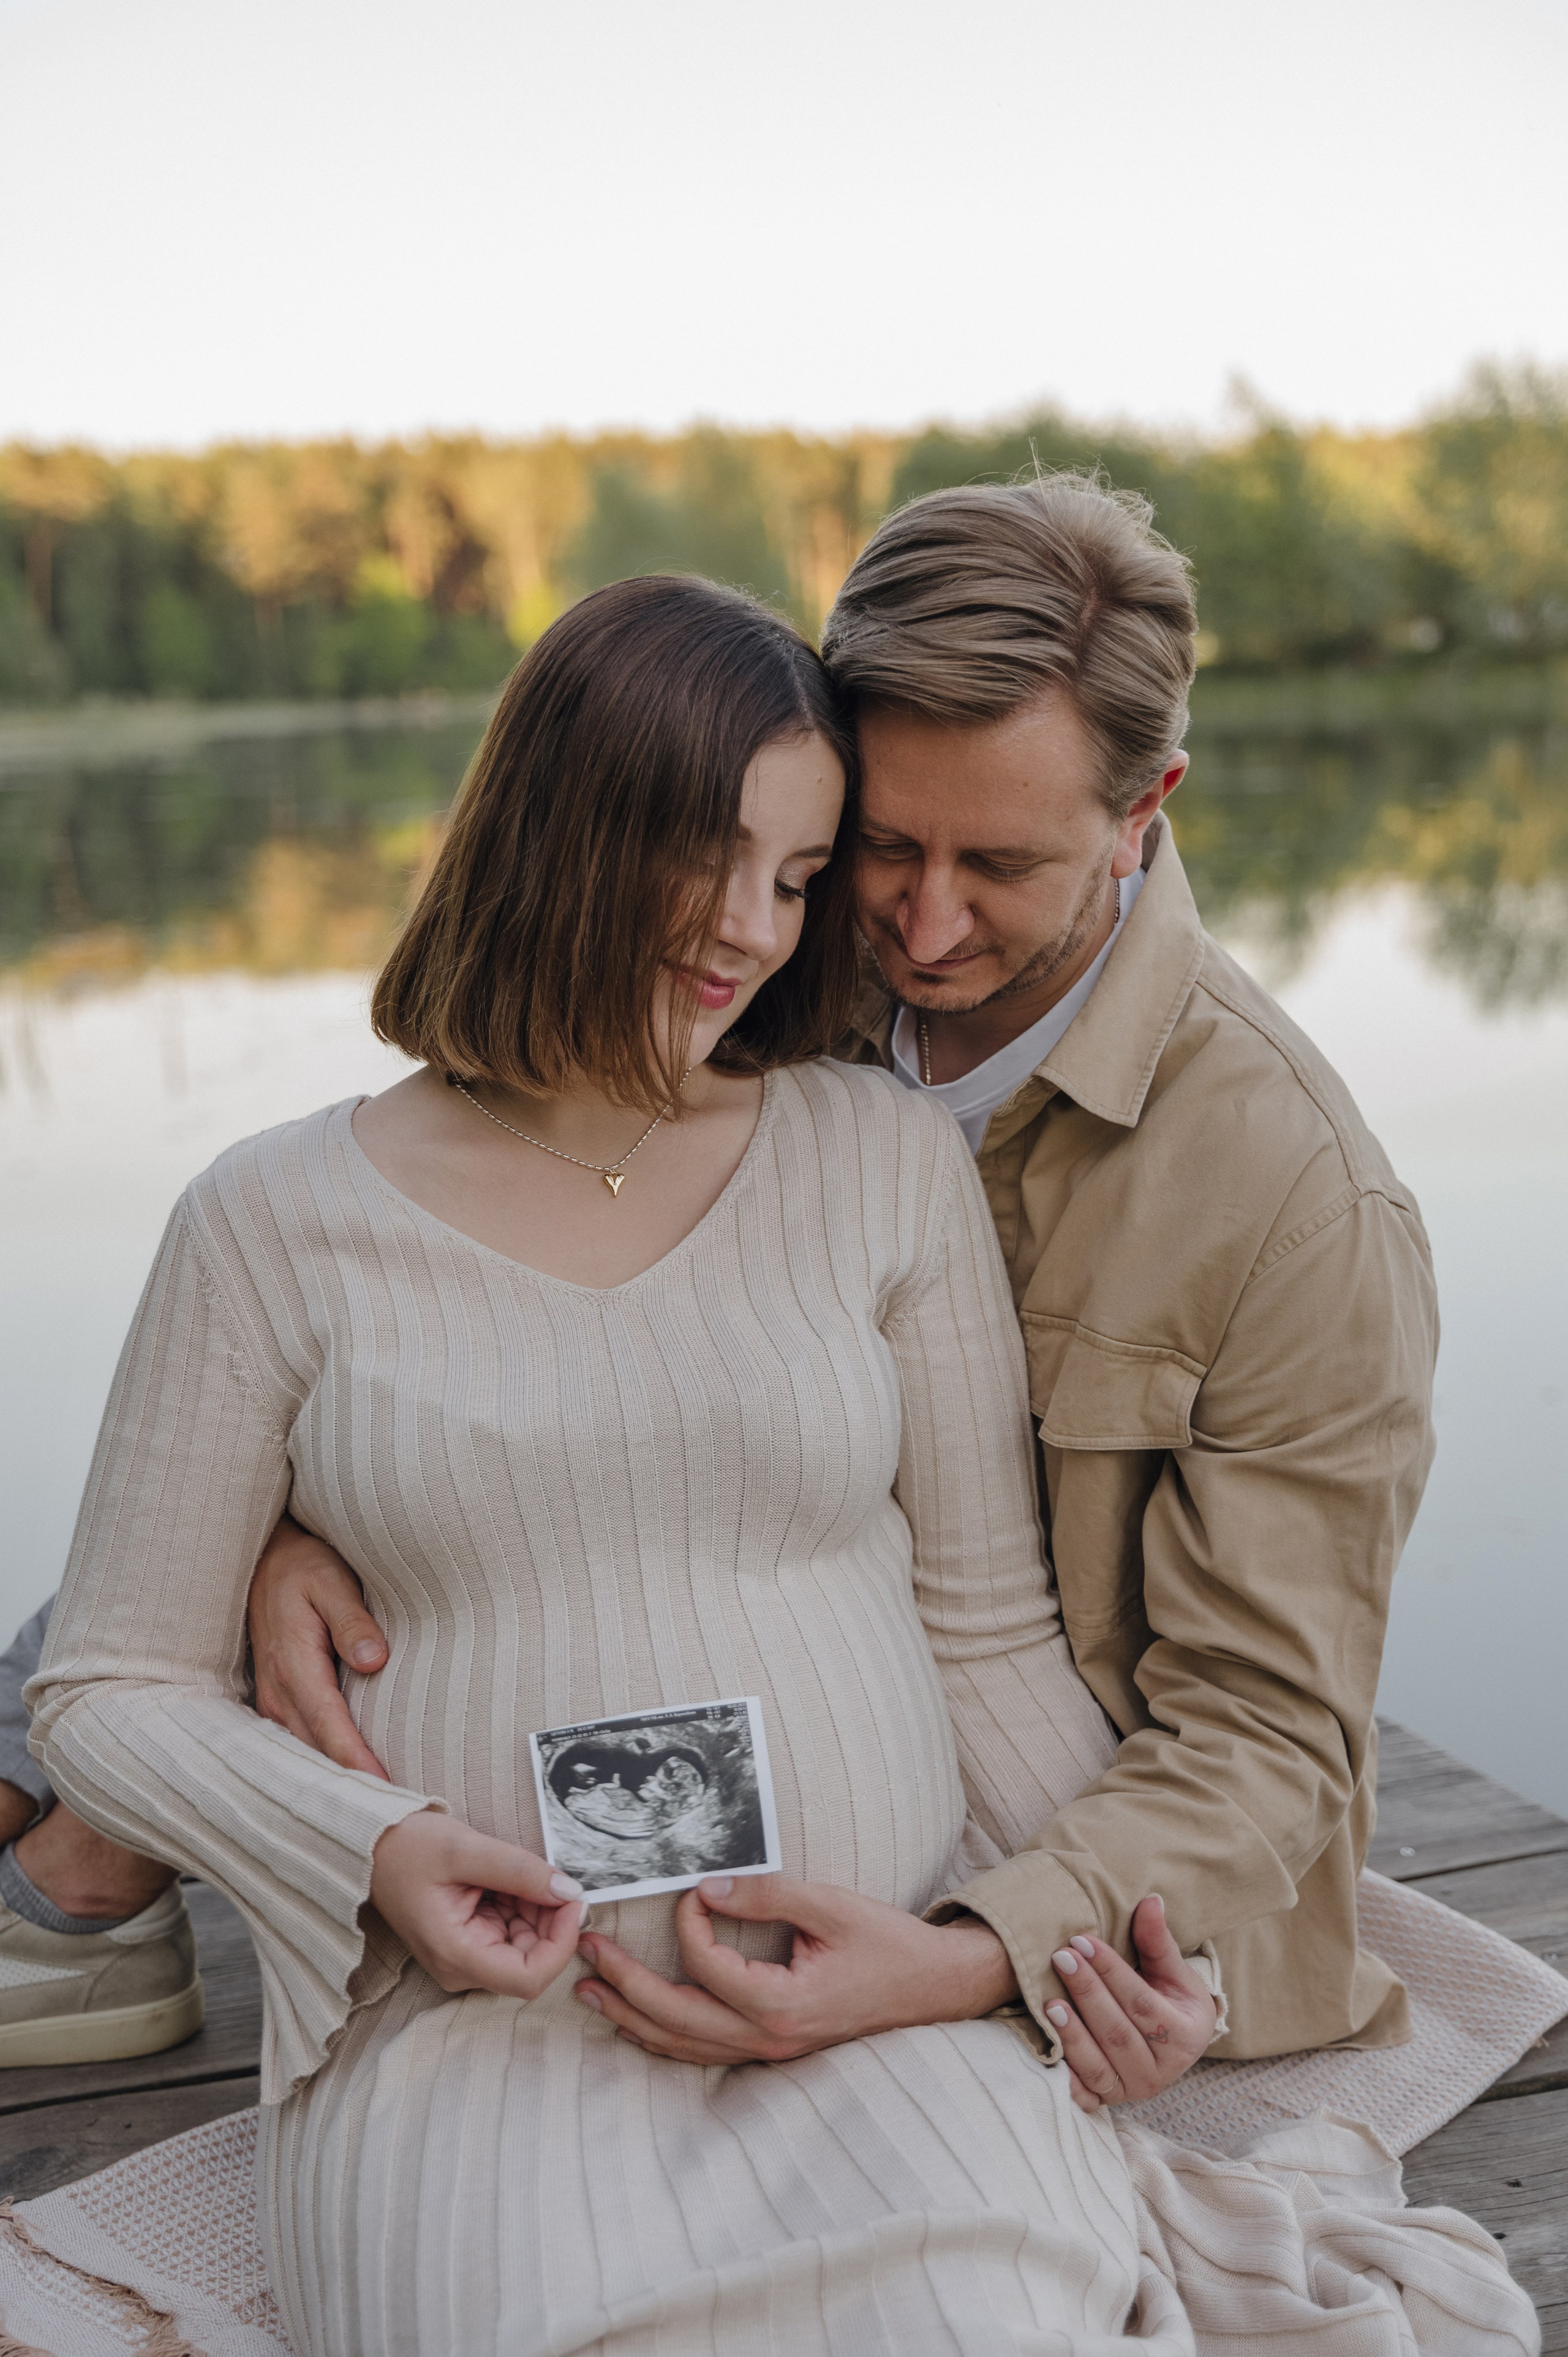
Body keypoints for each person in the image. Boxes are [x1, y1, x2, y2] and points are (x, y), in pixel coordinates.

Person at [22, 575, 1225, 2355]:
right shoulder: (274, 1220)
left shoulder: (875, 1160)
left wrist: (1131, 1936)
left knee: (994, 2320)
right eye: (714, 854)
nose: (754, 928)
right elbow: (106, 1690)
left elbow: (985, 1642)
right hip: (475, 2047)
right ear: (561, 821)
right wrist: (379, 1847)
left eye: (804, 880)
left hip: (873, 2005)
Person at [230, 472, 1440, 2084]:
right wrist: (299, 1522)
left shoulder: (1299, 1200)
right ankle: (69, 1902)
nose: (921, 926)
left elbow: (1266, 1740)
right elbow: (442, 1249)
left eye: (999, 865)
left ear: (1146, 808)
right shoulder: (758, 943)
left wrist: (988, 1952)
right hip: (684, 1756)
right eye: (879, 847)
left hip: (1047, 1867)